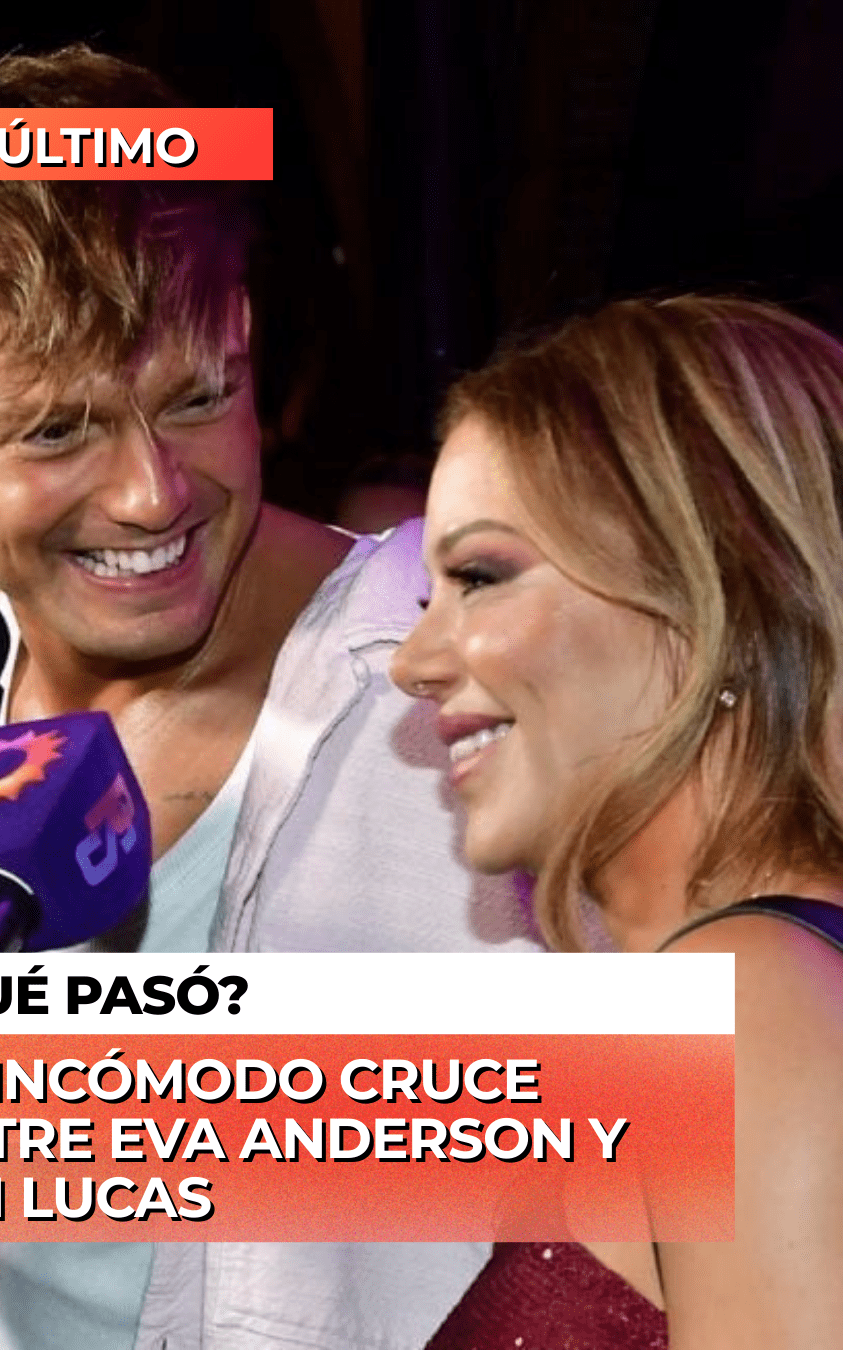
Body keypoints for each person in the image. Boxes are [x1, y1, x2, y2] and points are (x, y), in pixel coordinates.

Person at [0, 44, 537, 1350]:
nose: (152, 492)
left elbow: (715, 1085)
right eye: (56, 429)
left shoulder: (466, 661)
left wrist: (46, 1107)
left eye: (199, 397)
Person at [391, 294, 843, 1348]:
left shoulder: (750, 1000)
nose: (414, 663)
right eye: (425, 599)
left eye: (481, 578)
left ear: (705, 593)